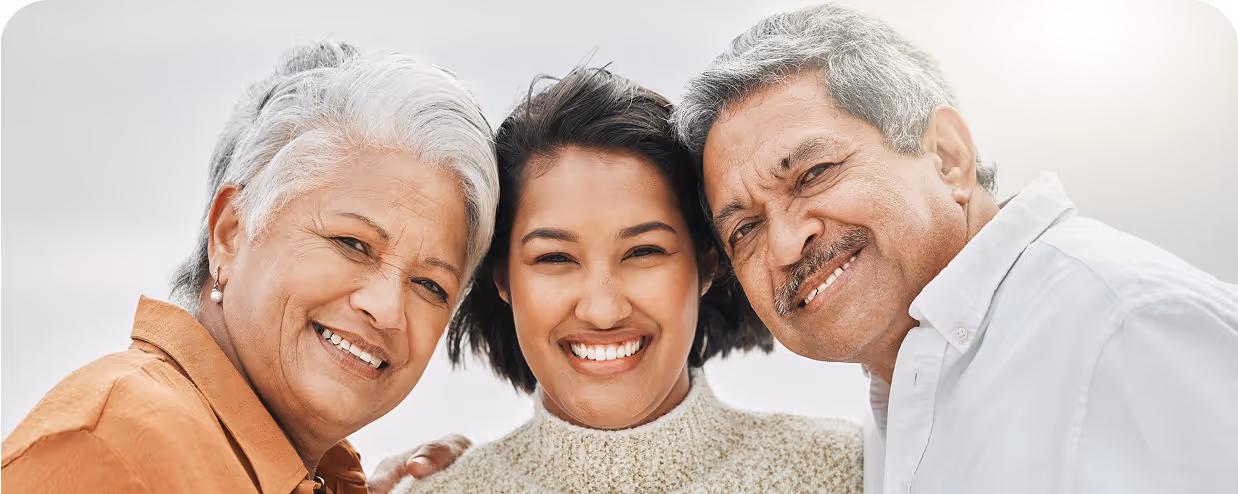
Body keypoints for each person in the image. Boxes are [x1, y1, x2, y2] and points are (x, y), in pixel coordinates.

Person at [670, 3, 1238, 493]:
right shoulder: (903, 395)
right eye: (745, 229)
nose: (788, 243)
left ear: (947, 157)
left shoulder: (1129, 326)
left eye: (814, 172)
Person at [0, 40, 499, 493]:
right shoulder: (112, 450)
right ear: (231, 231)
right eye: (352, 243)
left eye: (430, 285)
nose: (387, 309)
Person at [388, 67, 863, 493]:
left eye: (643, 252)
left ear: (708, 262)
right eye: (555, 257)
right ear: (502, 278)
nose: (603, 310)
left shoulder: (855, 473)